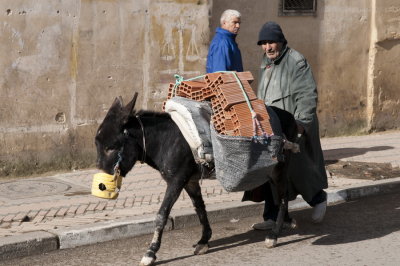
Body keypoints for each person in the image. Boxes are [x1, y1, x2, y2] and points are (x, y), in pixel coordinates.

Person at [251, 21, 328, 230]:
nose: (268, 47)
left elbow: (307, 94)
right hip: (272, 126)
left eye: (272, 42)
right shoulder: (265, 62)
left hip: (294, 125)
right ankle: (274, 217)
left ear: (281, 42)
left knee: (299, 170)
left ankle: (318, 198)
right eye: (264, 43)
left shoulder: (296, 61)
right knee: (270, 171)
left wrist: (301, 124)